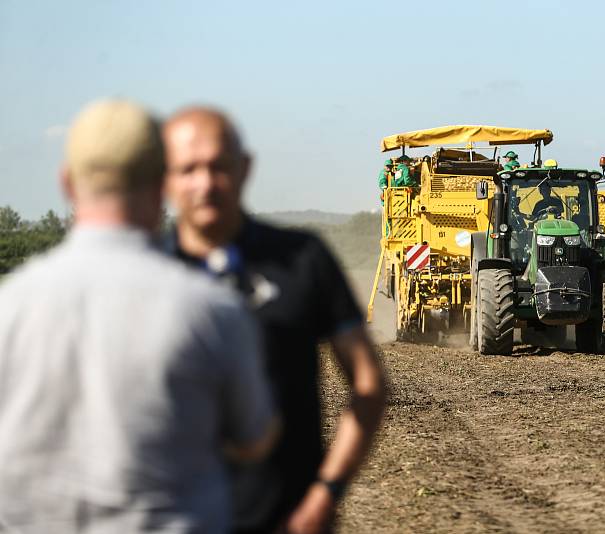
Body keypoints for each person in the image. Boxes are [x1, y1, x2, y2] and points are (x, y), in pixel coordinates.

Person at [0, 100, 280, 533]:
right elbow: (254, 438)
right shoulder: (211, 312)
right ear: (164, 185)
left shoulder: (10, 308)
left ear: (67, 185)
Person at [162, 107, 387, 534]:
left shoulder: (303, 259)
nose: (205, 183)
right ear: (164, 178)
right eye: (188, 169)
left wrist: (326, 493)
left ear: (245, 169)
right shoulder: (142, 275)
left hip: (287, 519)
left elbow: (368, 385)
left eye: (218, 167)